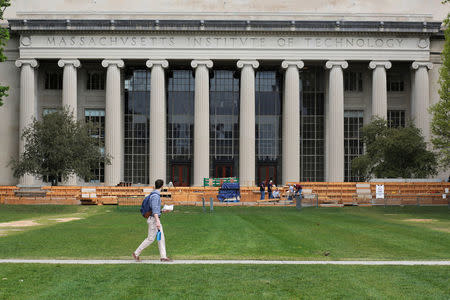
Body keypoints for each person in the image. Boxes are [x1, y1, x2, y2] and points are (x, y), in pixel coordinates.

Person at [133, 179, 172, 262]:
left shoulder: (154, 195)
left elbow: (156, 210)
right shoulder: (155, 196)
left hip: (154, 218)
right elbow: (154, 210)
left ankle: (163, 257)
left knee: (161, 238)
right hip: (154, 220)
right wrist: (157, 221)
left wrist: (162, 211)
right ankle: (136, 253)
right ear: (162, 186)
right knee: (150, 239)